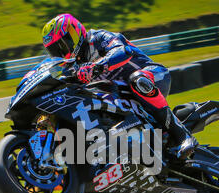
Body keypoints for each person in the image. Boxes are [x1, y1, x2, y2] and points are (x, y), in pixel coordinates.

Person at [42, 13, 198, 159]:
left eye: (63, 45)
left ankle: (182, 135)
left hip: (152, 76)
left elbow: (123, 50)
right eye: (55, 50)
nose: (62, 52)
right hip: (121, 94)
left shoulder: (97, 38)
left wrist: (98, 66)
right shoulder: (73, 66)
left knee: (137, 80)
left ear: (74, 34)